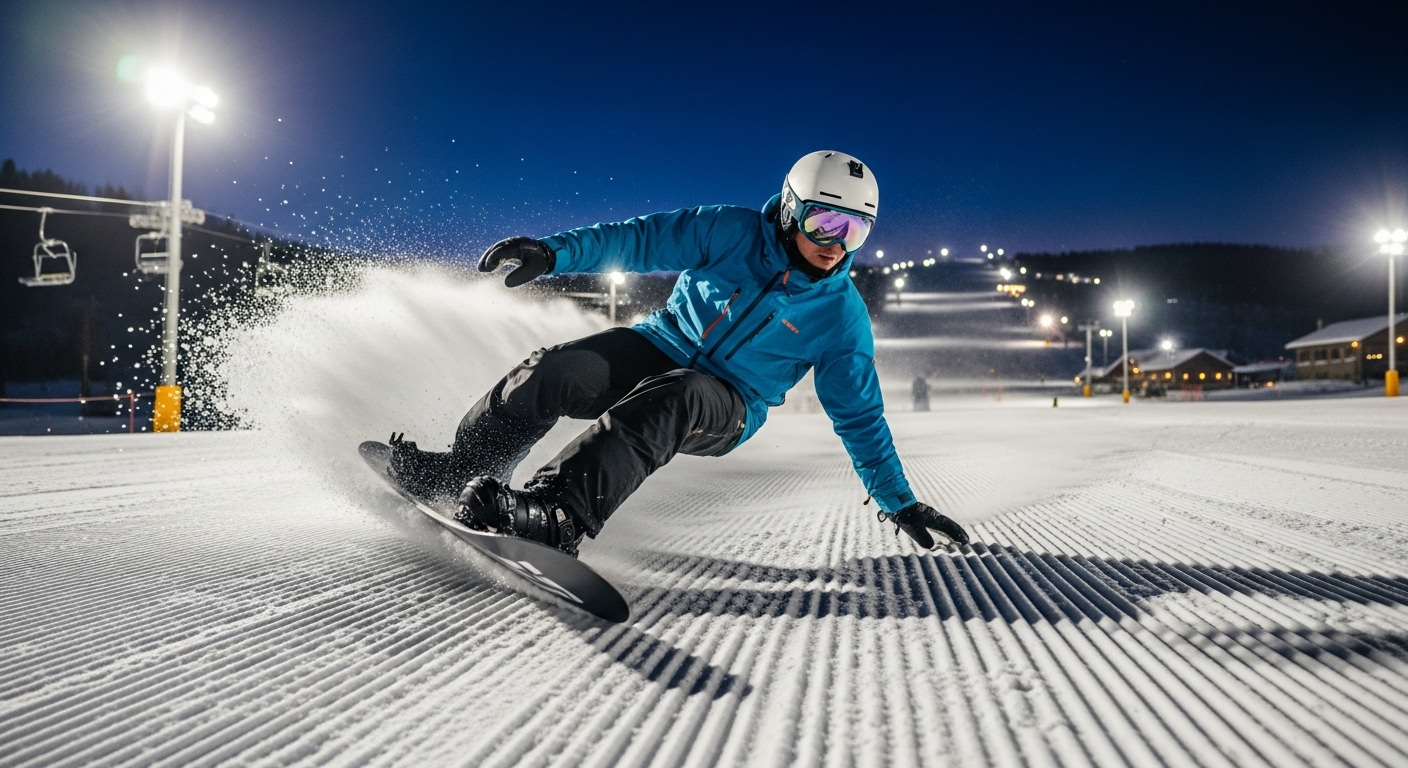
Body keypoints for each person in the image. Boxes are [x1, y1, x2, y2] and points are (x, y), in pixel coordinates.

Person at [387, 151, 969, 556]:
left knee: (677, 397)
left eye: (856, 231)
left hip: (730, 401)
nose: (836, 244)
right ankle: (462, 470)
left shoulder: (840, 316)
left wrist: (900, 502)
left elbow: (859, 416)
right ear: (792, 210)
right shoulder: (729, 231)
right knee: (553, 371)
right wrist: (555, 253)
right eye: (824, 222)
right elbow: (639, 239)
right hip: (661, 341)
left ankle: (557, 516)